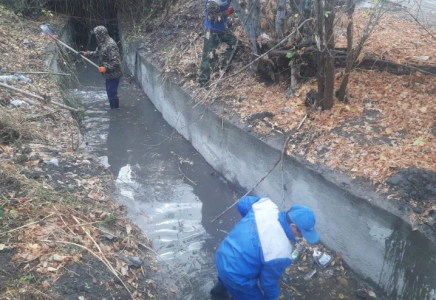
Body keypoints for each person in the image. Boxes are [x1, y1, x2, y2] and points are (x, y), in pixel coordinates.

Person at [211, 196, 319, 300]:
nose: (301, 237)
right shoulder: (281, 251)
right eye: (301, 233)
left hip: (222, 255)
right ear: (293, 226)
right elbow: (267, 283)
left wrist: (249, 225)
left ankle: (216, 293)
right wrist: (274, 297)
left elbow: (243, 203)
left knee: (225, 278)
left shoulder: (265, 206)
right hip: (237, 276)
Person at [80, 26, 122, 109]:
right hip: (108, 75)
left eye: (96, 35)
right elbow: (97, 53)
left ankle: (115, 111)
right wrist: (87, 53)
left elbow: (116, 62)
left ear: (100, 35)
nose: (95, 37)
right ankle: (114, 108)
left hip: (114, 75)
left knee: (112, 94)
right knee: (110, 92)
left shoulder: (110, 45)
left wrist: (105, 68)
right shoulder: (102, 43)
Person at [199, 0, 237, 87]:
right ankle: (203, 81)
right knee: (208, 56)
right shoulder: (212, 2)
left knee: (235, 43)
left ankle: (222, 65)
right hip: (211, 32)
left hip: (223, 30)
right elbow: (211, 18)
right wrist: (226, 13)